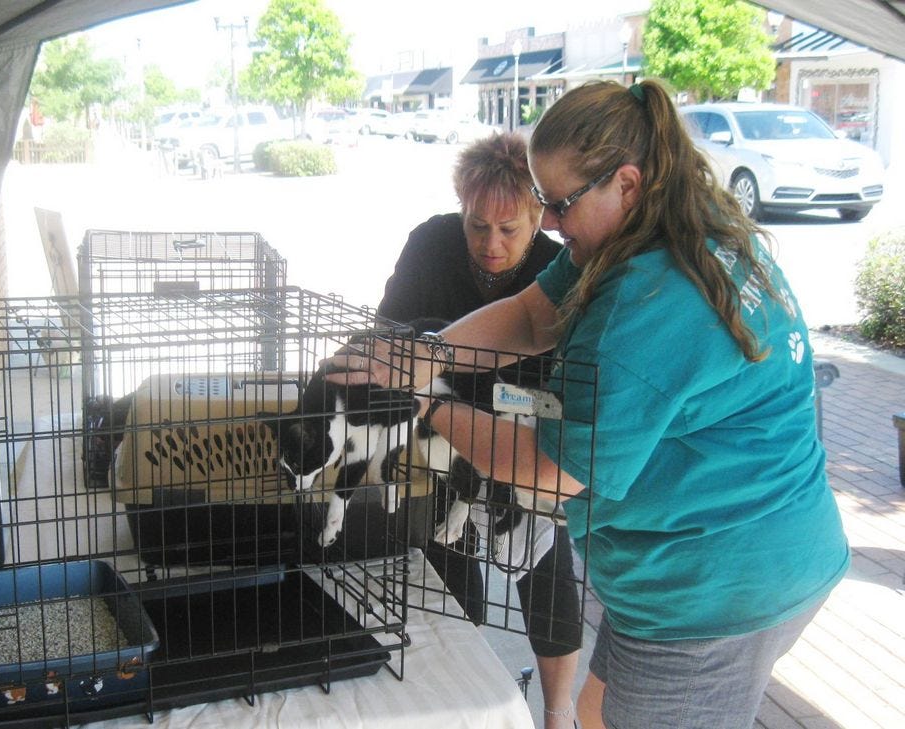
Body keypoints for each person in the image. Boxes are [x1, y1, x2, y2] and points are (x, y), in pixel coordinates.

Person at [326, 80, 850, 729]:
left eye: (560, 204)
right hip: (726, 561)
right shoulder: (648, 234)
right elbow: (532, 314)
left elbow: (548, 469)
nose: (547, 221)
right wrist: (428, 354)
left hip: (716, 588)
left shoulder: (652, 302)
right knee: (597, 711)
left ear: (626, 184)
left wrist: (426, 402)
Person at [376, 132, 583, 728]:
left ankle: (558, 711)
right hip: (436, 418)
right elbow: (389, 326)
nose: (491, 243)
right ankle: (469, 695)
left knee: (545, 567)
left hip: (526, 428)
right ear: (461, 210)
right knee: (451, 551)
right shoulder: (429, 242)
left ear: (537, 215)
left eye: (509, 229)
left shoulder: (559, 268)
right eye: (477, 226)